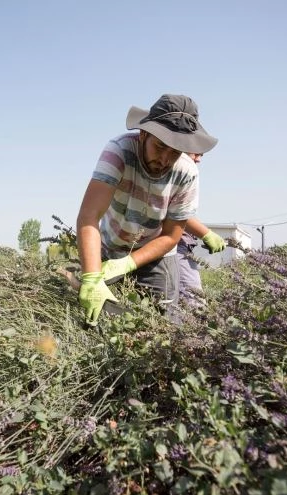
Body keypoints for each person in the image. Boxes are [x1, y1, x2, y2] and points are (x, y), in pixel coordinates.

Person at [76, 94, 217, 325]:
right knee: (100, 319)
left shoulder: (187, 171)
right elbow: (89, 216)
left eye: (175, 151)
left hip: (156, 256)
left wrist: (129, 263)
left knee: (158, 325)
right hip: (110, 248)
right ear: (144, 134)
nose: (164, 159)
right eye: (160, 146)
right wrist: (91, 277)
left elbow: (172, 236)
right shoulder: (119, 151)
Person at [176, 152, 227, 305]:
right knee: (194, 303)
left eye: (201, 155)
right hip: (174, 247)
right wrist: (206, 234)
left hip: (179, 244)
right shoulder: (173, 173)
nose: (199, 159)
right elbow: (178, 215)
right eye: (196, 154)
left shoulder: (183, 175)